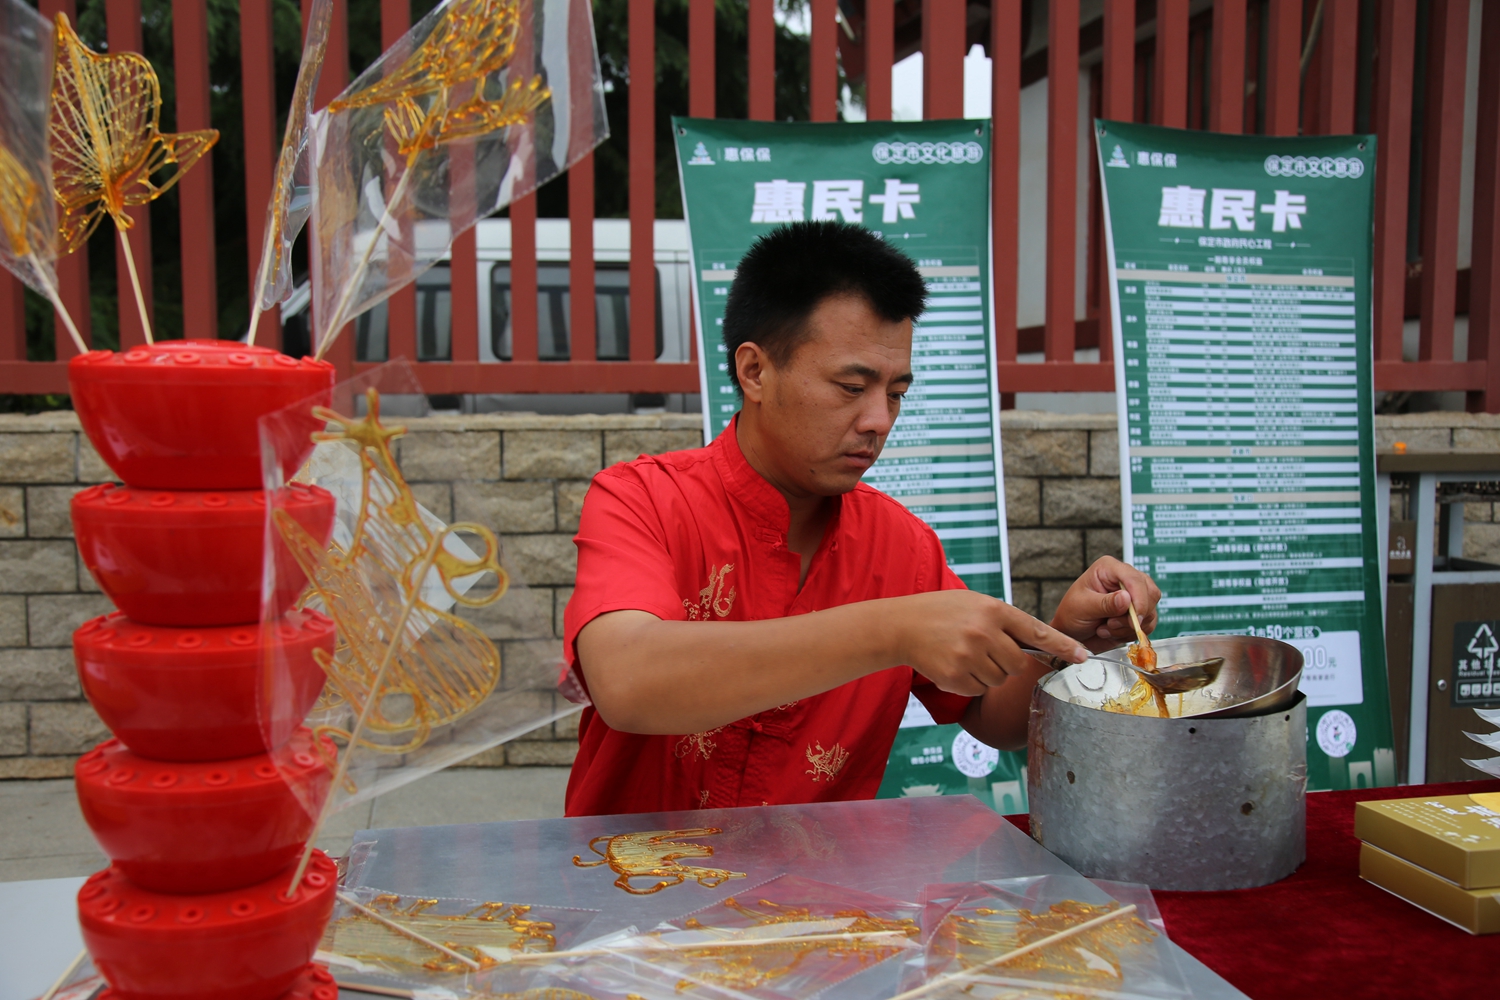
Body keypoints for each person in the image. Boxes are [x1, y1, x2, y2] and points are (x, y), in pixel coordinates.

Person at [561, 221, 1160, 816]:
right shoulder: (643, 499)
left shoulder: (900, 545)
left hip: (811, 899)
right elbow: (628, 682)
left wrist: (1061, 638)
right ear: (754, 372)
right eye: (852, 387)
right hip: (631, 886)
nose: (879, 420)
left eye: (896, 393)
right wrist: (892, 631)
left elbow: (988, 715)